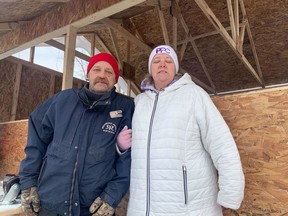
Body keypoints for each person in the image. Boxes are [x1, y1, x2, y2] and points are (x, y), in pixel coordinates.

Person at [126, 45, 245, 216]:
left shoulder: (194, 95)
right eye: (157, 61)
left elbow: (222, 145)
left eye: (168, 61)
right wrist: (120, 146)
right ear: (150, 69)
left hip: (188, 208)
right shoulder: (139, 102)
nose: (162, 64)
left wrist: (230, 194)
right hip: (142, 208)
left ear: (175, 68)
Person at [18, 52, 134, 216]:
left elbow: (128, 159)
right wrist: (29, 180)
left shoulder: (125, 108)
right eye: (97, 69)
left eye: (109, 72)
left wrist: (111, 196)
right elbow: (36, 138)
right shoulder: (62, 101)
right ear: (88, 74)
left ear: (116, 79)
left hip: (94, 208)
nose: (102, 75)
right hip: (51, 204)